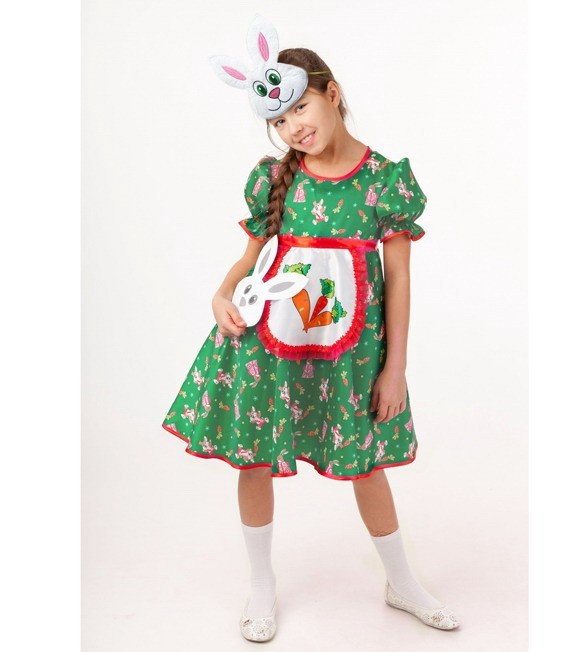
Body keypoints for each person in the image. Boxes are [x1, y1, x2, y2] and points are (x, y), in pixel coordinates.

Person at [161, 14, 460, 642]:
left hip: (349, 353)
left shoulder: (384, 182)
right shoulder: (274, 179)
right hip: (268, 347)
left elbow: (399, 281)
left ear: (332, 93)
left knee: (365, 464)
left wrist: (395, 368)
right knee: (254, 460)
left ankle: (402, 582)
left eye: (299, 107)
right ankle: (260, 584)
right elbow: (249, 260)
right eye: (278, 120)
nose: (293, 127)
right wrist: (221, 294)